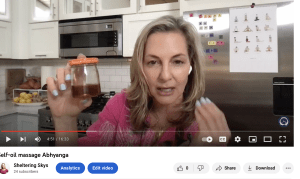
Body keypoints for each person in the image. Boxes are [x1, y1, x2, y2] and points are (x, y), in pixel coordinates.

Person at [47, 16, 231, 146]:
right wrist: (64, 120)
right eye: (153, 62)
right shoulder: (119, 106)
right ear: (140, 67)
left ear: (191, 66)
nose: (165, 76)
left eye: (177, 62)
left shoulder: (207, 123)